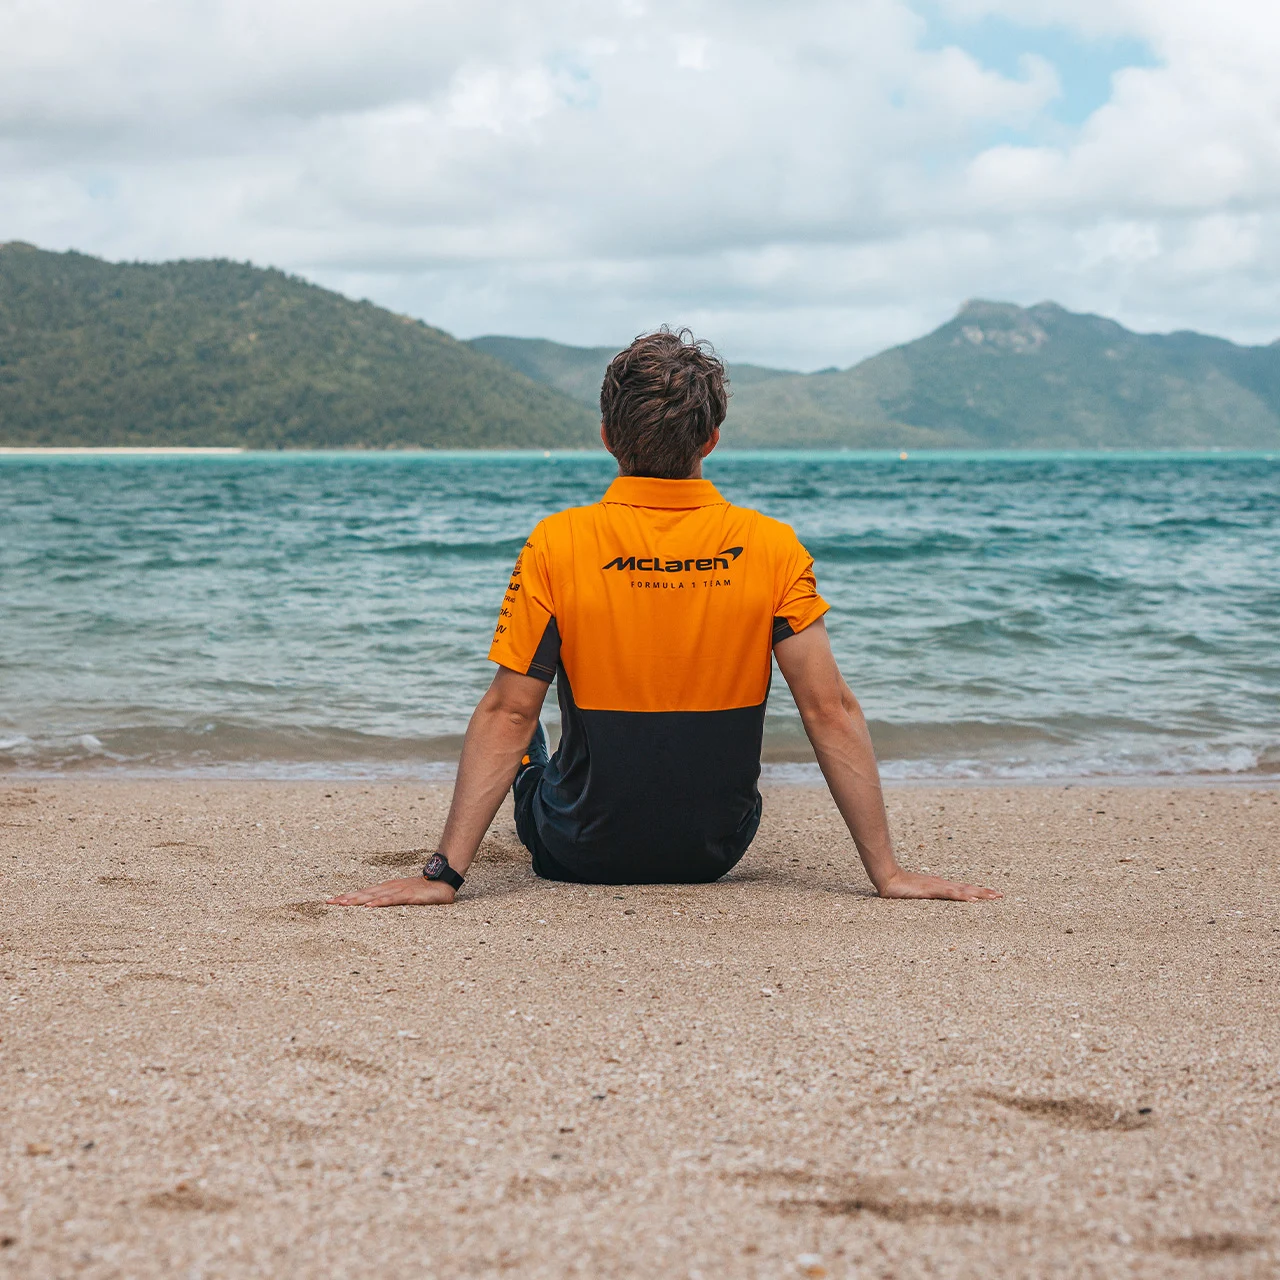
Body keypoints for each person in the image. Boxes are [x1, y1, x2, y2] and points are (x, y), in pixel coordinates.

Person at [329, 329, 1000, 908]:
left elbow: (508, 714)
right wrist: (887, 873)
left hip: (577, 851)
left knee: (528, 731)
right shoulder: (772, 545)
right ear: (710, 438)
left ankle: (536, 805)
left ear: (604, 436)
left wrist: (443, 875)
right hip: (716, 849)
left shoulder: (558, 542)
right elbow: (830, 708)